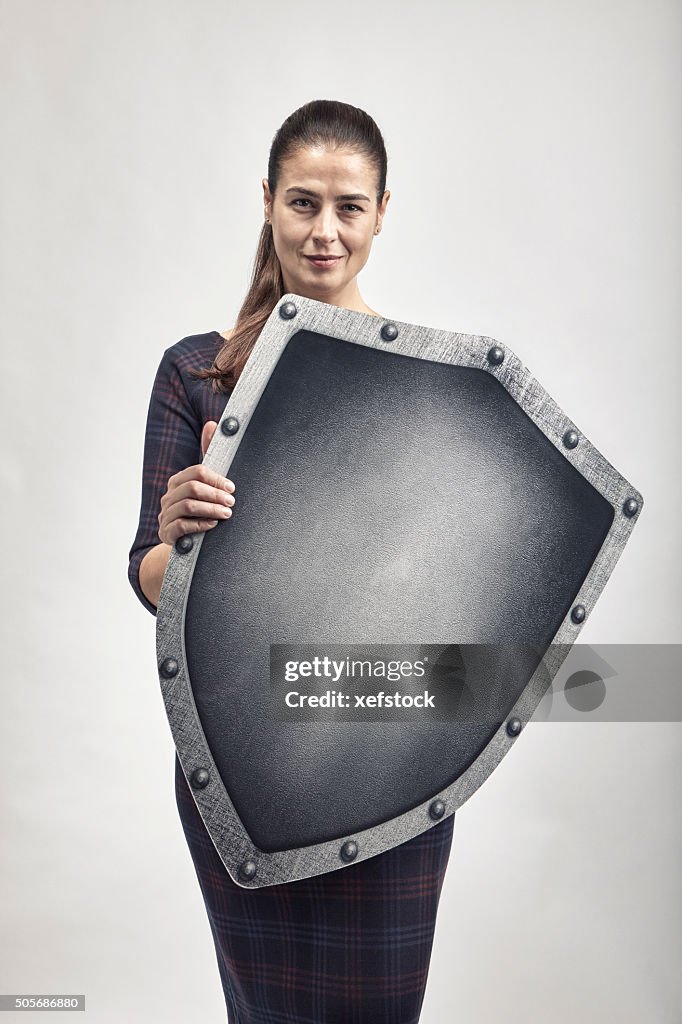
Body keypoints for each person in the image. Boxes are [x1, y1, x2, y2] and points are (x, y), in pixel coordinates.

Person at [127, 99, 455, 1024]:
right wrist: (178, 537)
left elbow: (451, 600)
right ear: (267, 200)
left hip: (390, 756)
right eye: (303, 202)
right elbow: (146, 580)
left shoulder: (425, 386)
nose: (325, 231)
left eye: (349, 207)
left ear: (384, 210)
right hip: (240, 763)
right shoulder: (196, 374)